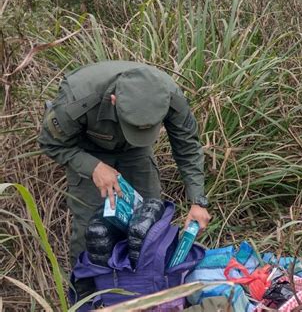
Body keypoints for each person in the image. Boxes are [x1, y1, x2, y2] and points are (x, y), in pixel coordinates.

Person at [38, 61, 211, 266]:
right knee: (91, 230)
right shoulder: (78, 98)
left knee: (149, 219)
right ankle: (86, 290)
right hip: (87, 150)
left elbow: (188, 148)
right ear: (114, 100)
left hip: (136, 151)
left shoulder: (168, 96)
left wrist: (197, 202)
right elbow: (50, 143)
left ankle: (145, 284)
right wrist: (94, 167)